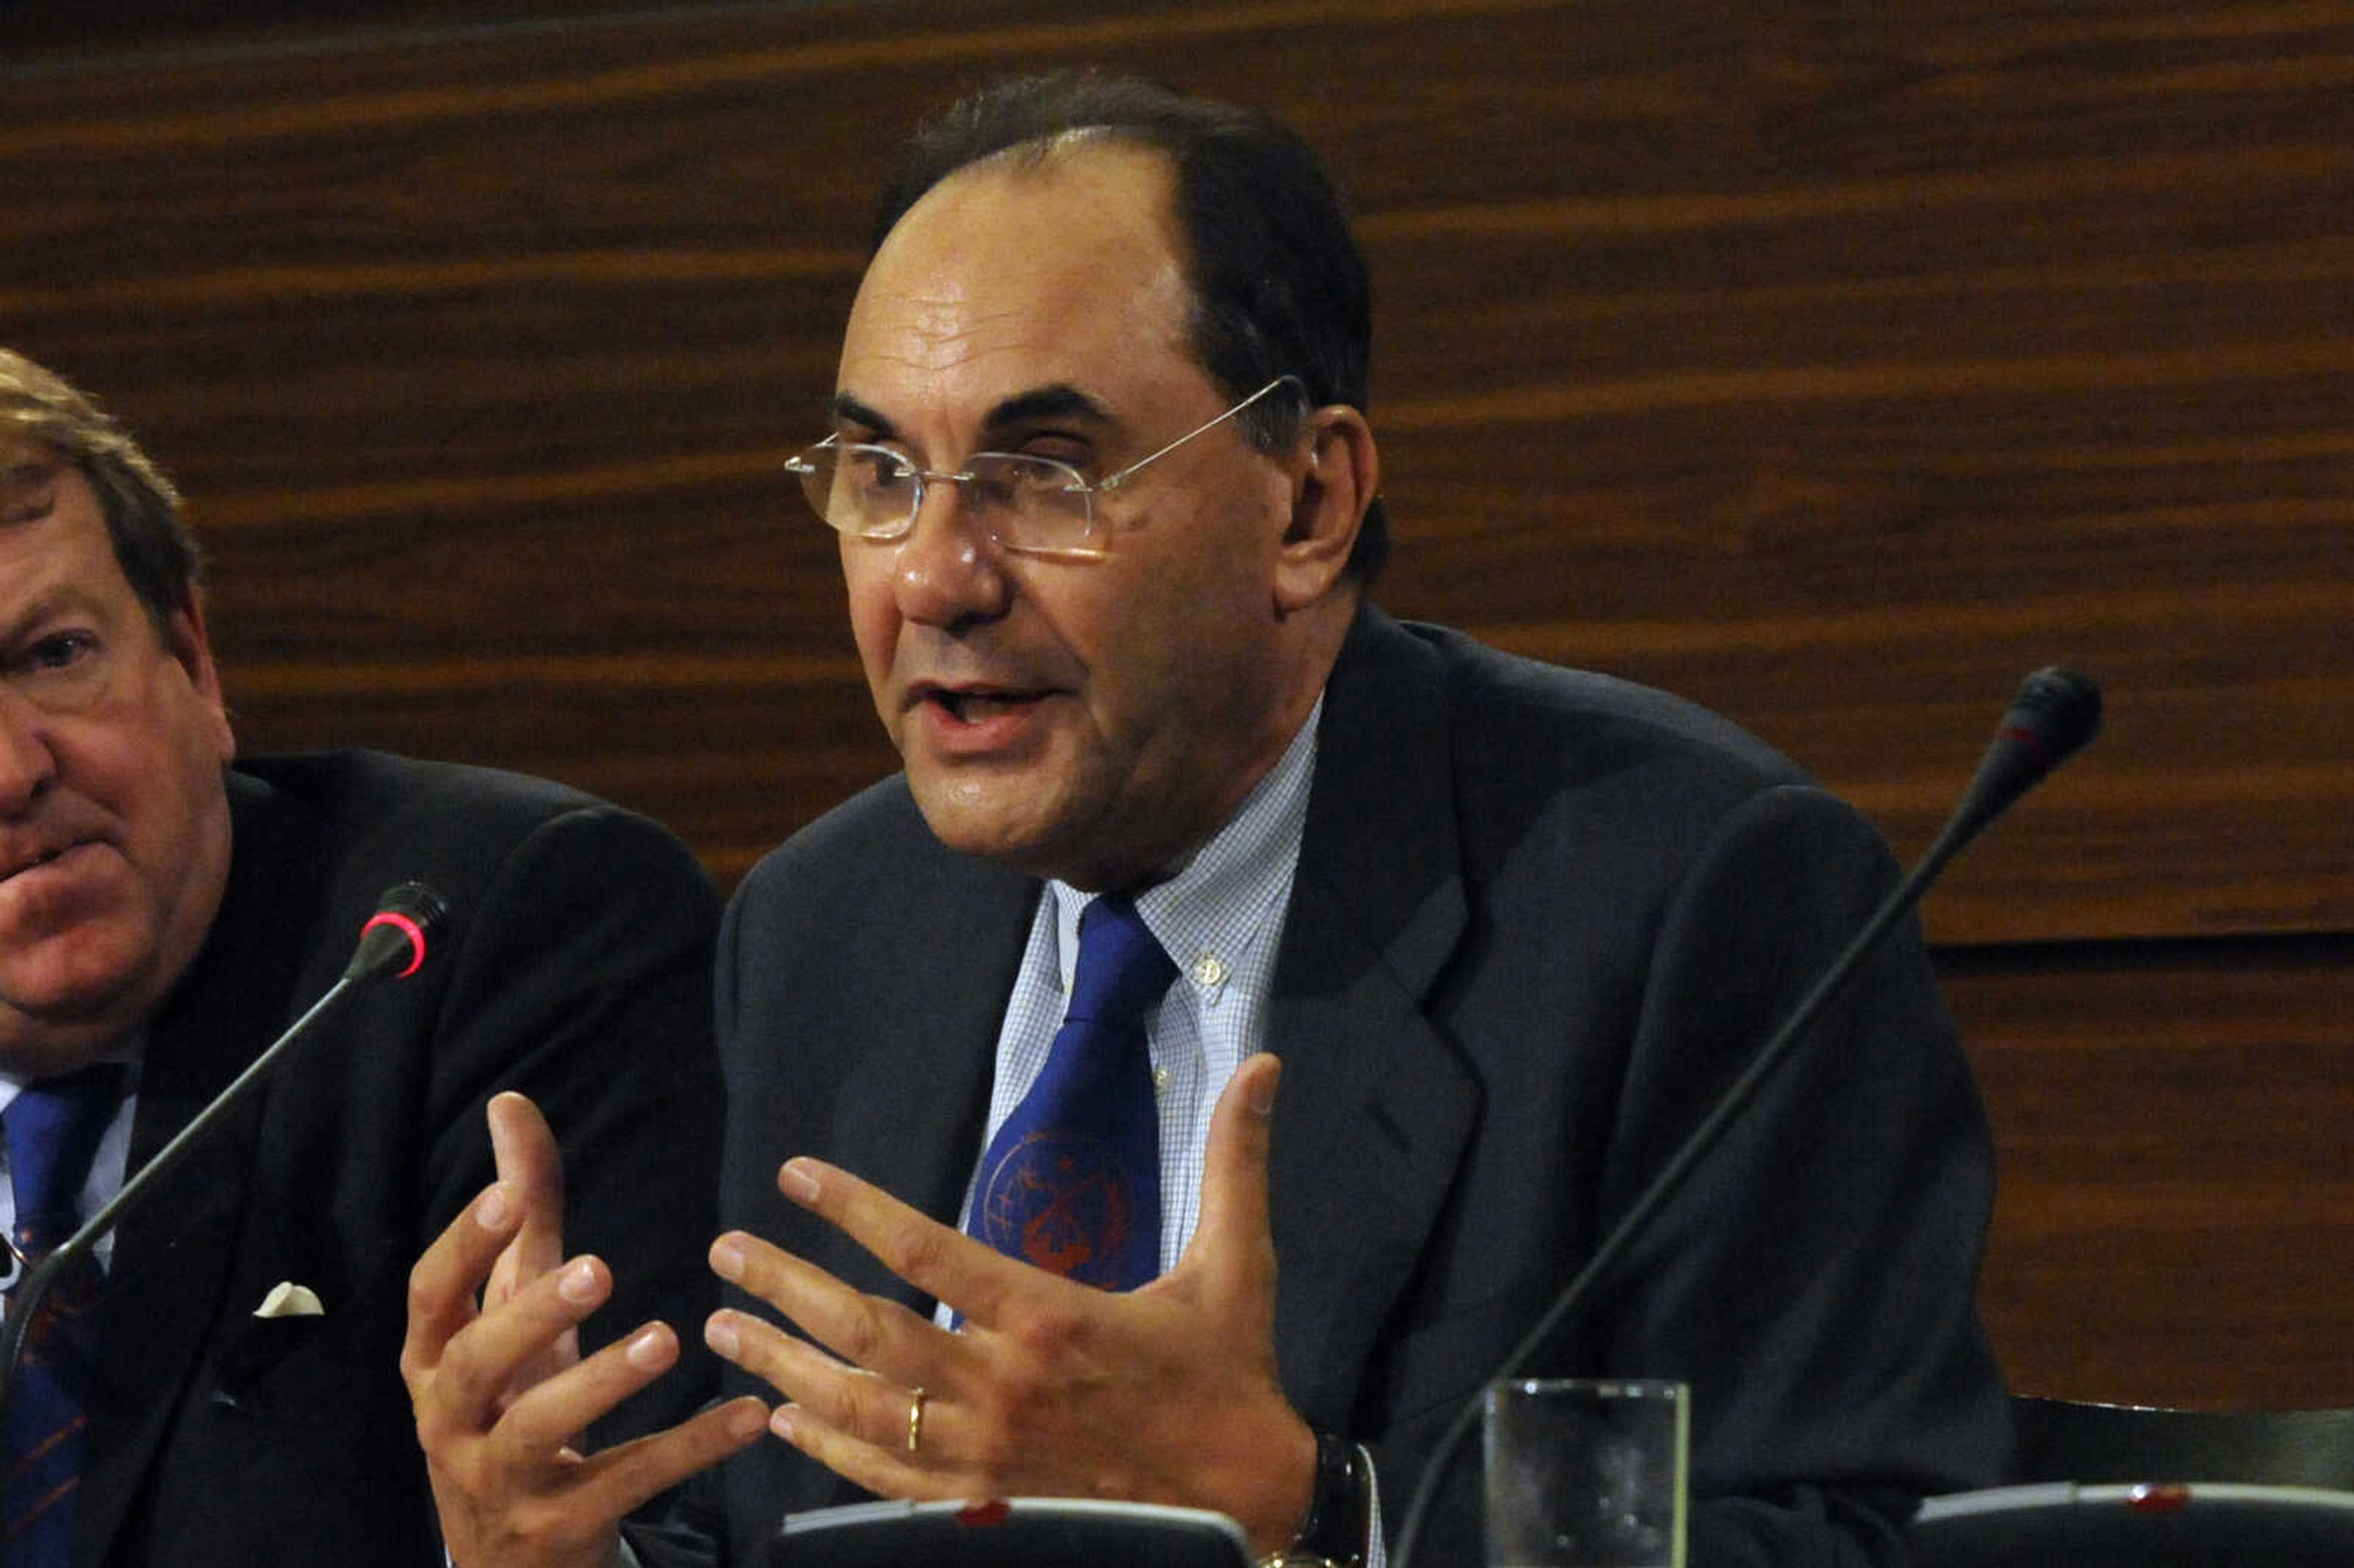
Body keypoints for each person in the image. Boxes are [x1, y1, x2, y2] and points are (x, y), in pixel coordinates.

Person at [406, 72, 2013, 1567]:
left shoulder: (1687, 900)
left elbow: (1872, 1529)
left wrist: (1308, 1512)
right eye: (881, 471)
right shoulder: (829, 925)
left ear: (1308, 504)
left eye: (1045, 470)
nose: (936, 578)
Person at [0, 346, 725, 1567]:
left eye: (54, 655)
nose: (14, 770)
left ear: (192, 656)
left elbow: (633, 1522)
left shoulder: (496, 936)